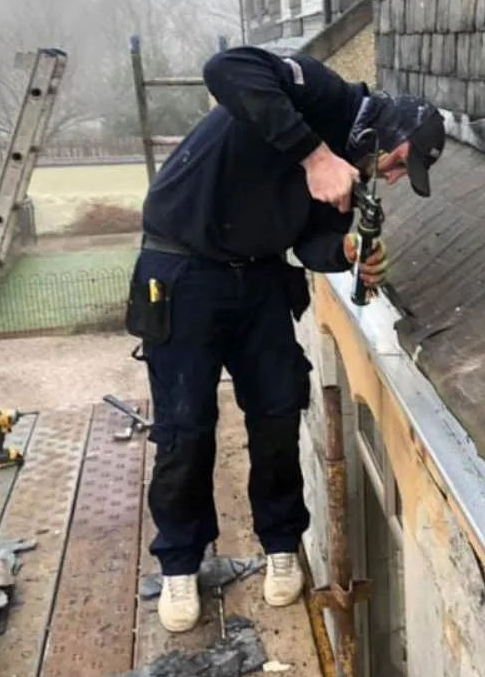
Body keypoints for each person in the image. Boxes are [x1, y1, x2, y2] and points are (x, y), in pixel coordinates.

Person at [125, 44, 446, 634]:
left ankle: (280, 543)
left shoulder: (350, 176)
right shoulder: (320, 94)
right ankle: (180, 561)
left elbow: (311, 243)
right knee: (184, 425)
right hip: (182, 269)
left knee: (276, 414)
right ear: (383, 130)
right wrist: (314, 155)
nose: (394, 180)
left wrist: (346, 252)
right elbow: (224, 69)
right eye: (400, 164)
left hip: (262, 276)